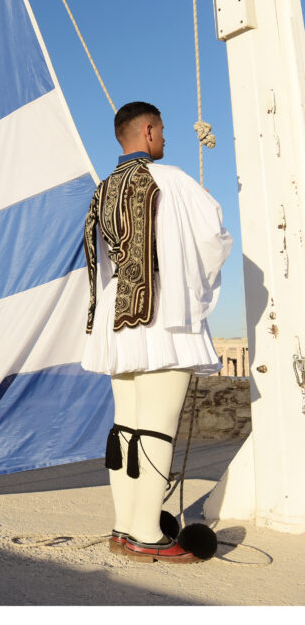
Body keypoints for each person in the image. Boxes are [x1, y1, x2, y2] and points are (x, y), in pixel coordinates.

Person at [82, 102, 232, 563]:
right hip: (161, 312)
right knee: (156, 429)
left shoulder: (102, 190)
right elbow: (213, 240)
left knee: (126, 428)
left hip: (115, 315)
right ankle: (148, 533)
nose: (164, 138)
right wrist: (198, 292)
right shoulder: (171, 180)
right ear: (147, 131)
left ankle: (124, 528)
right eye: (162, 130)